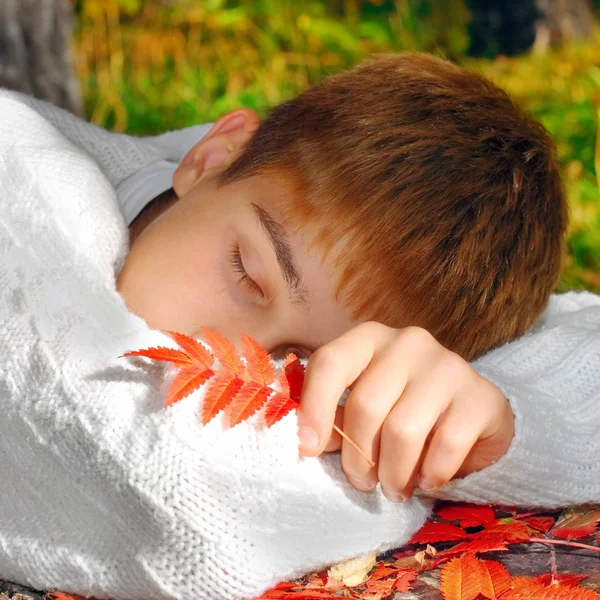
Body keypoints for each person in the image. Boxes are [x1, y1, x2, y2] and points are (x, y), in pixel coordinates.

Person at [1, 52, 598, 600]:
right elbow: (173, 501)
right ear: (213, 156)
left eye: (308, 364)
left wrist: (503, 418)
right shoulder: (21, 177)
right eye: (248, 276)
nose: (233, 357)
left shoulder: (243, 202)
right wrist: (403, 479)